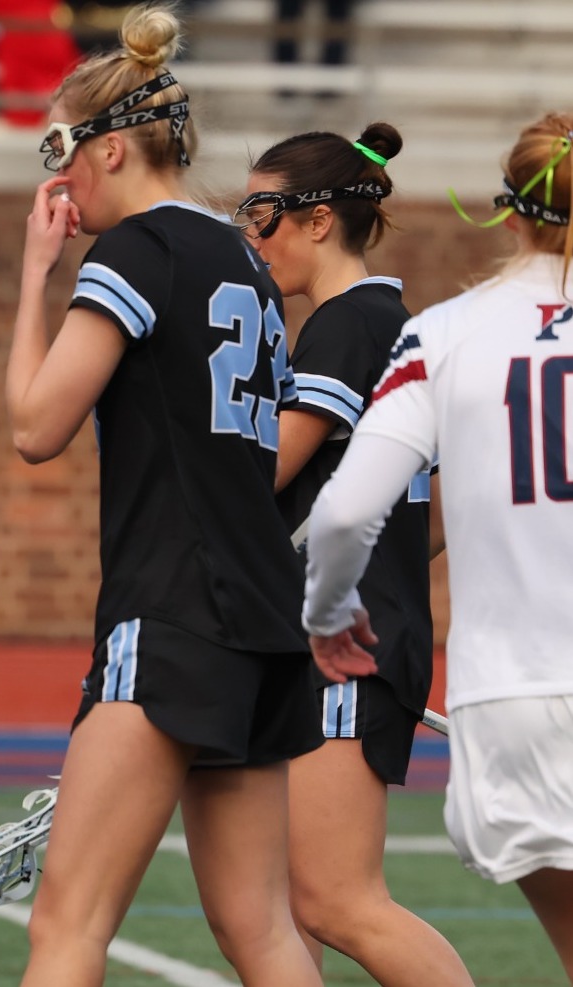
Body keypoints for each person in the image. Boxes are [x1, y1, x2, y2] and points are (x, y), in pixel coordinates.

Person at [3, 5, 325, 984]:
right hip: (263, 613)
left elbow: (34, 427)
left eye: (59, 145)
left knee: (65, 927)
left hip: (175, 612)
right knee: (261, 929)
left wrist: (34, 278)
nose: (54, 173)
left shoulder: (138, 253)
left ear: (109, 147)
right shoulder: (246, 261)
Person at [303, 110, 573, 983]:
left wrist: (328, 614)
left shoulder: (446, 334)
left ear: (511, 209)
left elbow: (344, 515)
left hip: (511, 702)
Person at [242, 123, 475, 986]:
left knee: (335, 899)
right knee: (266, 902)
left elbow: (258, 475)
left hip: (344, 647)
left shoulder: (348, 325)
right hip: (352, 631)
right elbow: (439, 509)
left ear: (314, 220)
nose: (250, 236)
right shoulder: (390, 322)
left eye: (260, 213)